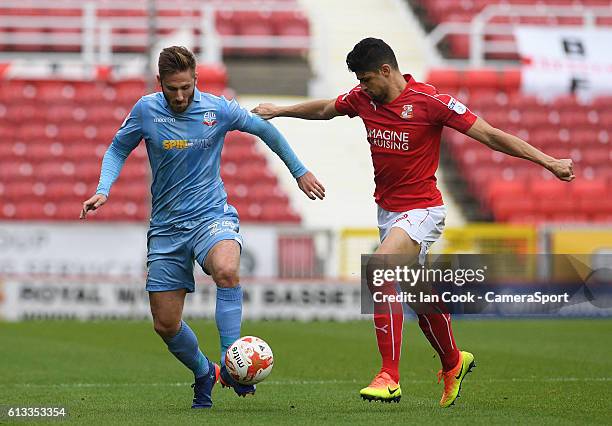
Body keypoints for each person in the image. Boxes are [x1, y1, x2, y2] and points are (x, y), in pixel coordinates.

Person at [252, 37, 574, 407]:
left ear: (386, 71)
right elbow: (327, 108)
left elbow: (490, 135)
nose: (362, 87)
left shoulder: (430, 102)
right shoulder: (363, 99)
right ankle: (454, 362)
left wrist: (549, 162)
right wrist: (280, 110)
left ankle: (389, 375)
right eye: (358, 80)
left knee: (377, 269)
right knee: (420, 295)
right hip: (389, 213)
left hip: (422, 210)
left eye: (367, 78)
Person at [80, 46, 325, 409]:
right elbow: (117, 149)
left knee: (226, 269)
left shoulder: (217, 108)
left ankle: (231, 362)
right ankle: (204, 372)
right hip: (166, 228)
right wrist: (103, 190)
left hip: (212, 216)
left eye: (186, 87)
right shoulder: (146, 110)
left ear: (196, 80)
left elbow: (263, 129)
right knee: (165, 324)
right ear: (159, 83)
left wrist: (299, 171)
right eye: (172, 89)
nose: (180, 96)